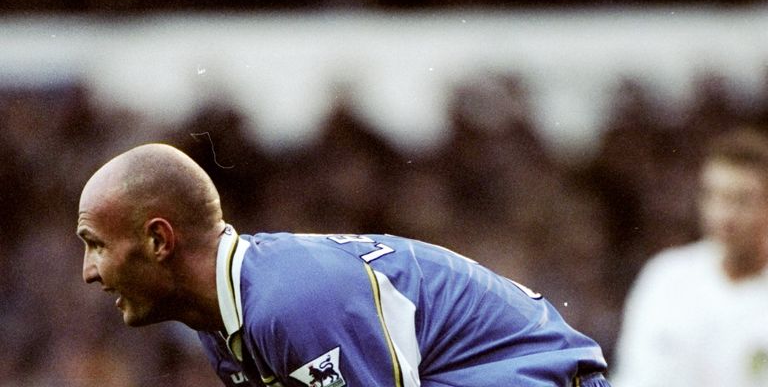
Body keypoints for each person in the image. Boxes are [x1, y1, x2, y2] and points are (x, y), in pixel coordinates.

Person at [77, 143, 612, 387]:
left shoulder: (293, 301)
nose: (89, 271)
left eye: (95, 244)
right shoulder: (225, 321)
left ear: (157, 239)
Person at [611, 127, 768, 387]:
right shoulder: (665, 277)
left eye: (741, 201)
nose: (723, 216)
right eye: (713, 196)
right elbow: (632, 377)